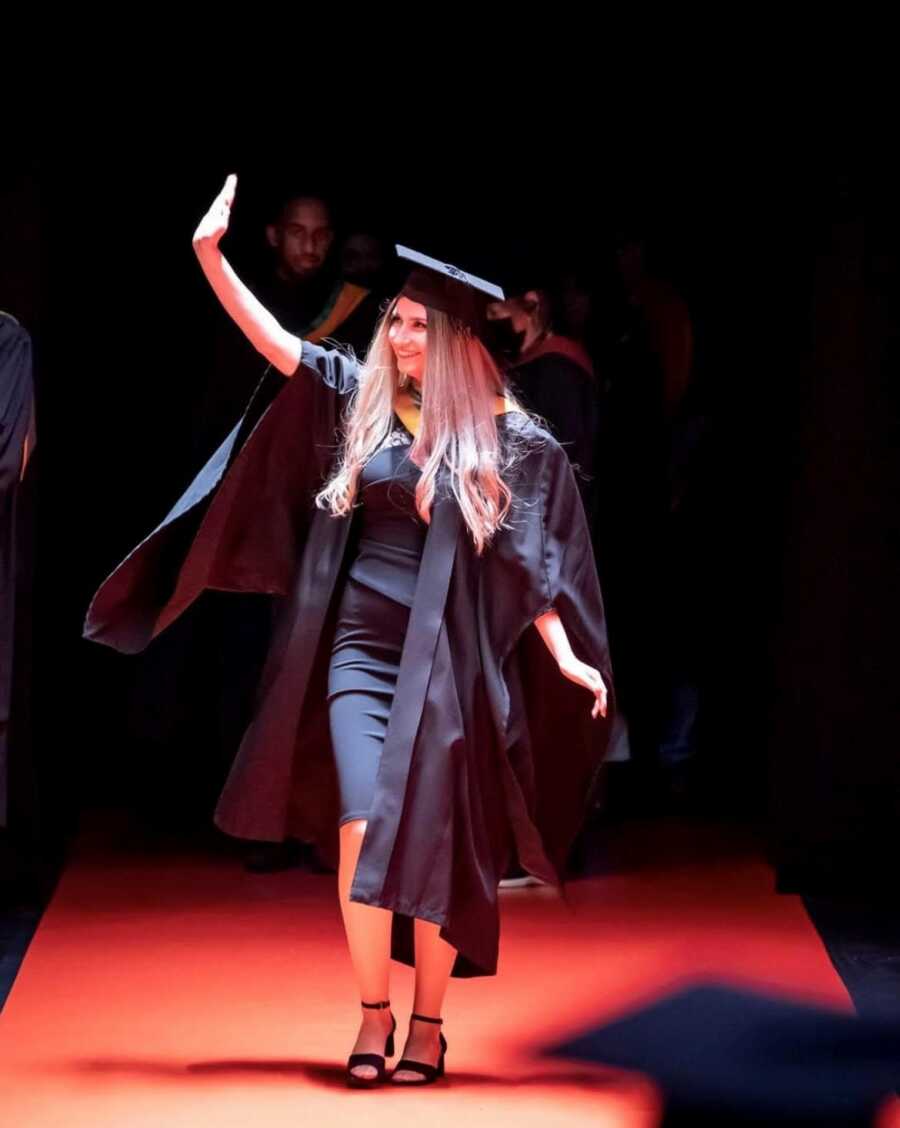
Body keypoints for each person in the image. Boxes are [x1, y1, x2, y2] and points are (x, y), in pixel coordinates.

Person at [84, 176, 615, 1087]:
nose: (401, 337)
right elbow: (275, 341)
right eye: (397, 323)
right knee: (363, 826)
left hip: (448, 659)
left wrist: (566, 655)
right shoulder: (355, 396)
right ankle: (374, 1010)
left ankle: (429, 1024)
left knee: (439, 838)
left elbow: (535, 570)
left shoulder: (508, 437)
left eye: (418, 325)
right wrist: (210, 256)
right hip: (361, 652)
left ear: (451, 337)